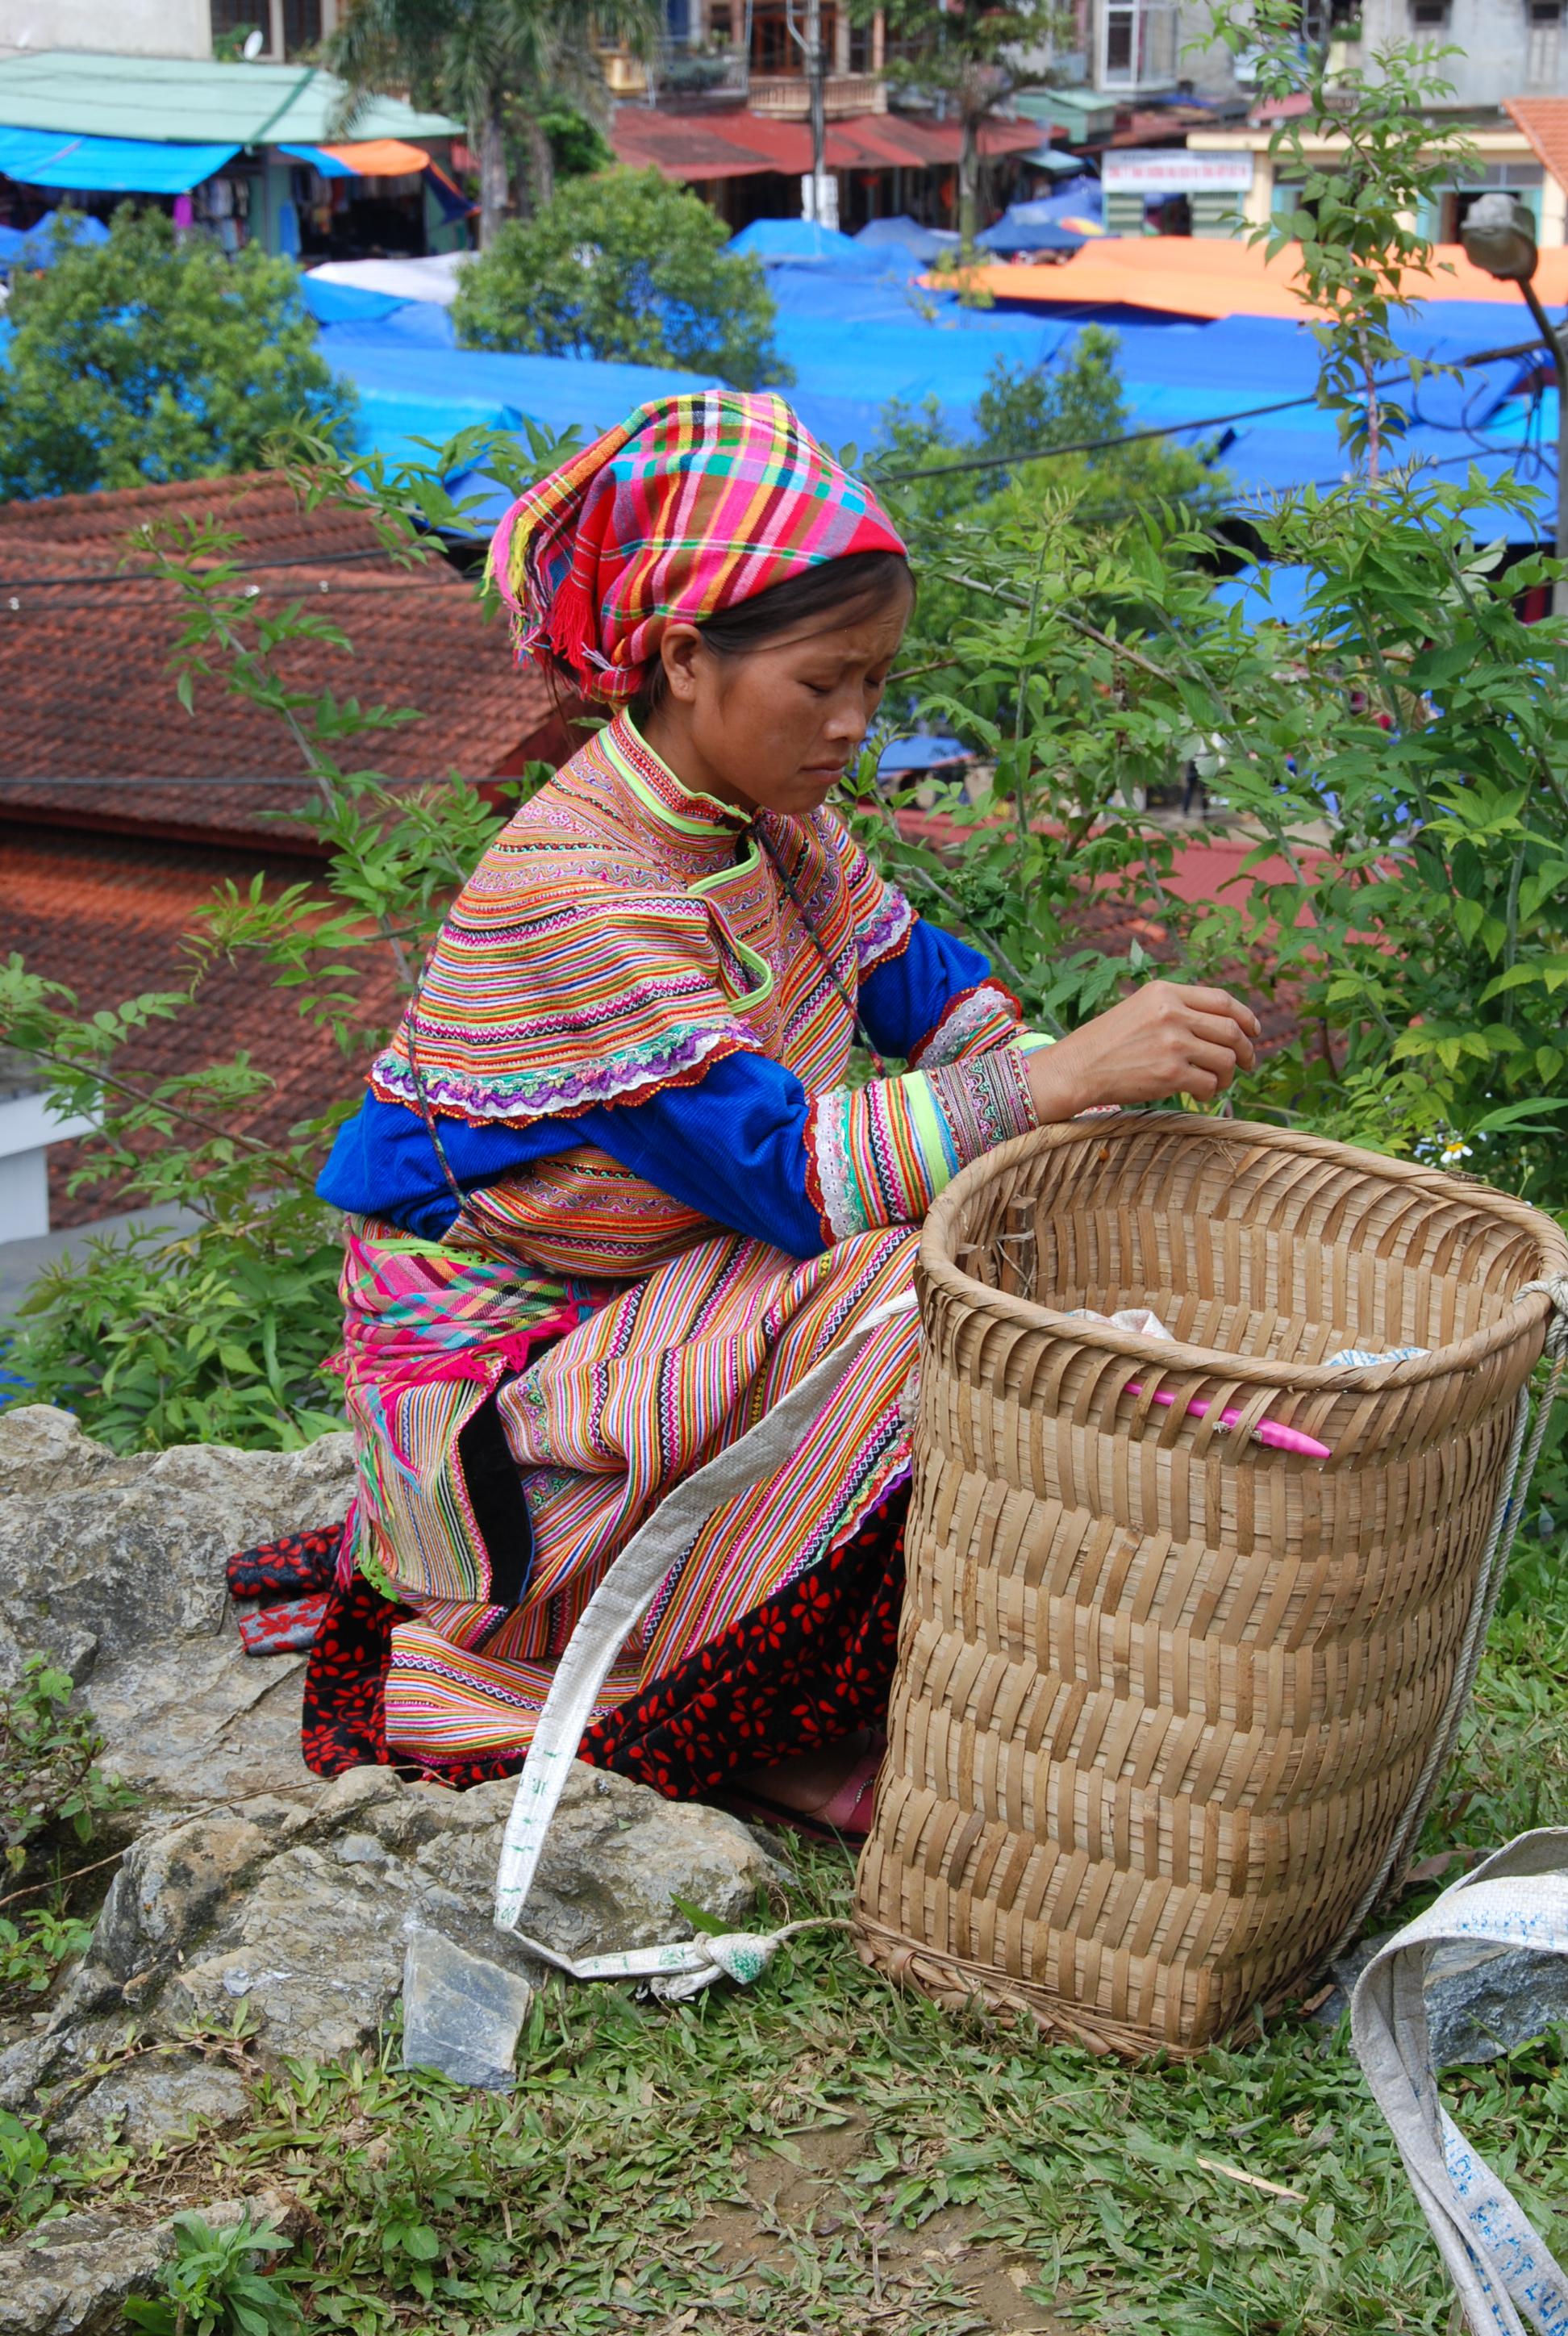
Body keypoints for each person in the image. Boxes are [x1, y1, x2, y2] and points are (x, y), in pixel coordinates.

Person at [305, 389, 1260, 1835]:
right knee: (908, 1302)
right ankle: (705, 1698)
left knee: (991, 1238)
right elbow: (781, 1172)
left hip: (646, 1294)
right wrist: (1046, 1087)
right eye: (825, 683)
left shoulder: (764, 818)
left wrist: (1058, 1089)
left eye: (875, 682)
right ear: (686, 657)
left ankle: (777, 1675)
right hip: (511, 1385)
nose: (855, 724)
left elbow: (913, 979)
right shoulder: (581, 886)